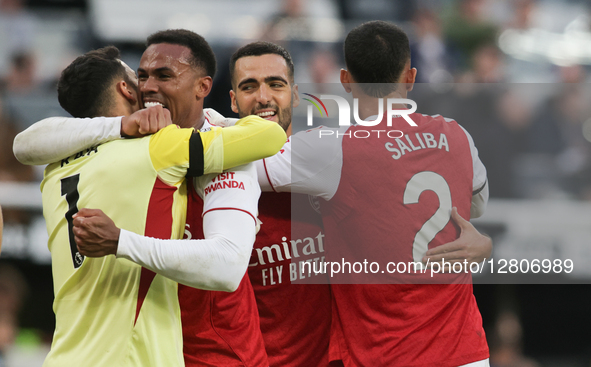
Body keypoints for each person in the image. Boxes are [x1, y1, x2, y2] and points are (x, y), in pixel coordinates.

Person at [14, 30, 272, 367]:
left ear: (202, 86)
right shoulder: (160, 148)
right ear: (126, 88)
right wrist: (216, 123)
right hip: (135, 357)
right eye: (141, 77)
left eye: (163, 76)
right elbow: (269, 135)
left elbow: (23, 145)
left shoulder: (53, 170)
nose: (149, 88)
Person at [255, 20, 490, 366]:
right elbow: (477, 206)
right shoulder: (457, 136)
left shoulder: (331, 149)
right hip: (465, 355)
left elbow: (244, 167)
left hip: (386, 354)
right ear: (410, 77)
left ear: (346, 81)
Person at [229, 41, 331, 366]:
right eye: (249, 86)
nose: (263, 97)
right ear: (232, 101)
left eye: (276, 84)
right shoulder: (216, 185)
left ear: (296, 94)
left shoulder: (334, 166)